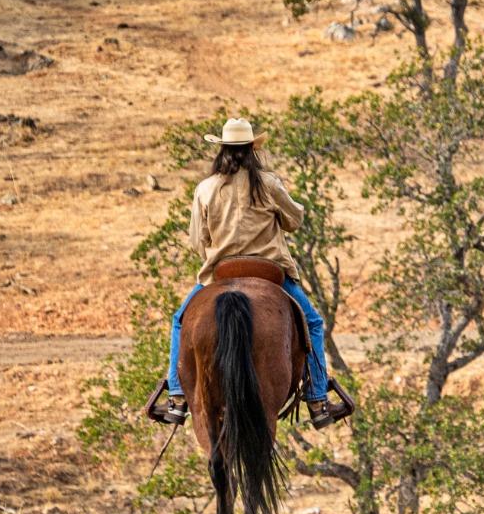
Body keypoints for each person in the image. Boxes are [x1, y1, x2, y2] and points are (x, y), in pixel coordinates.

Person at [147, 117, 347, 429]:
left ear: (222, 150)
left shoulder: (206, 189)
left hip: (221, 274)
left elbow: (197, 240)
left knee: (179, 320)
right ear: (252, 149)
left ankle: (176, 396)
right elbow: (295, 220)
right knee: (313, 323)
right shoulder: (268, 184)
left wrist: (217, 253)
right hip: (270, 274)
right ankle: (318, 399)